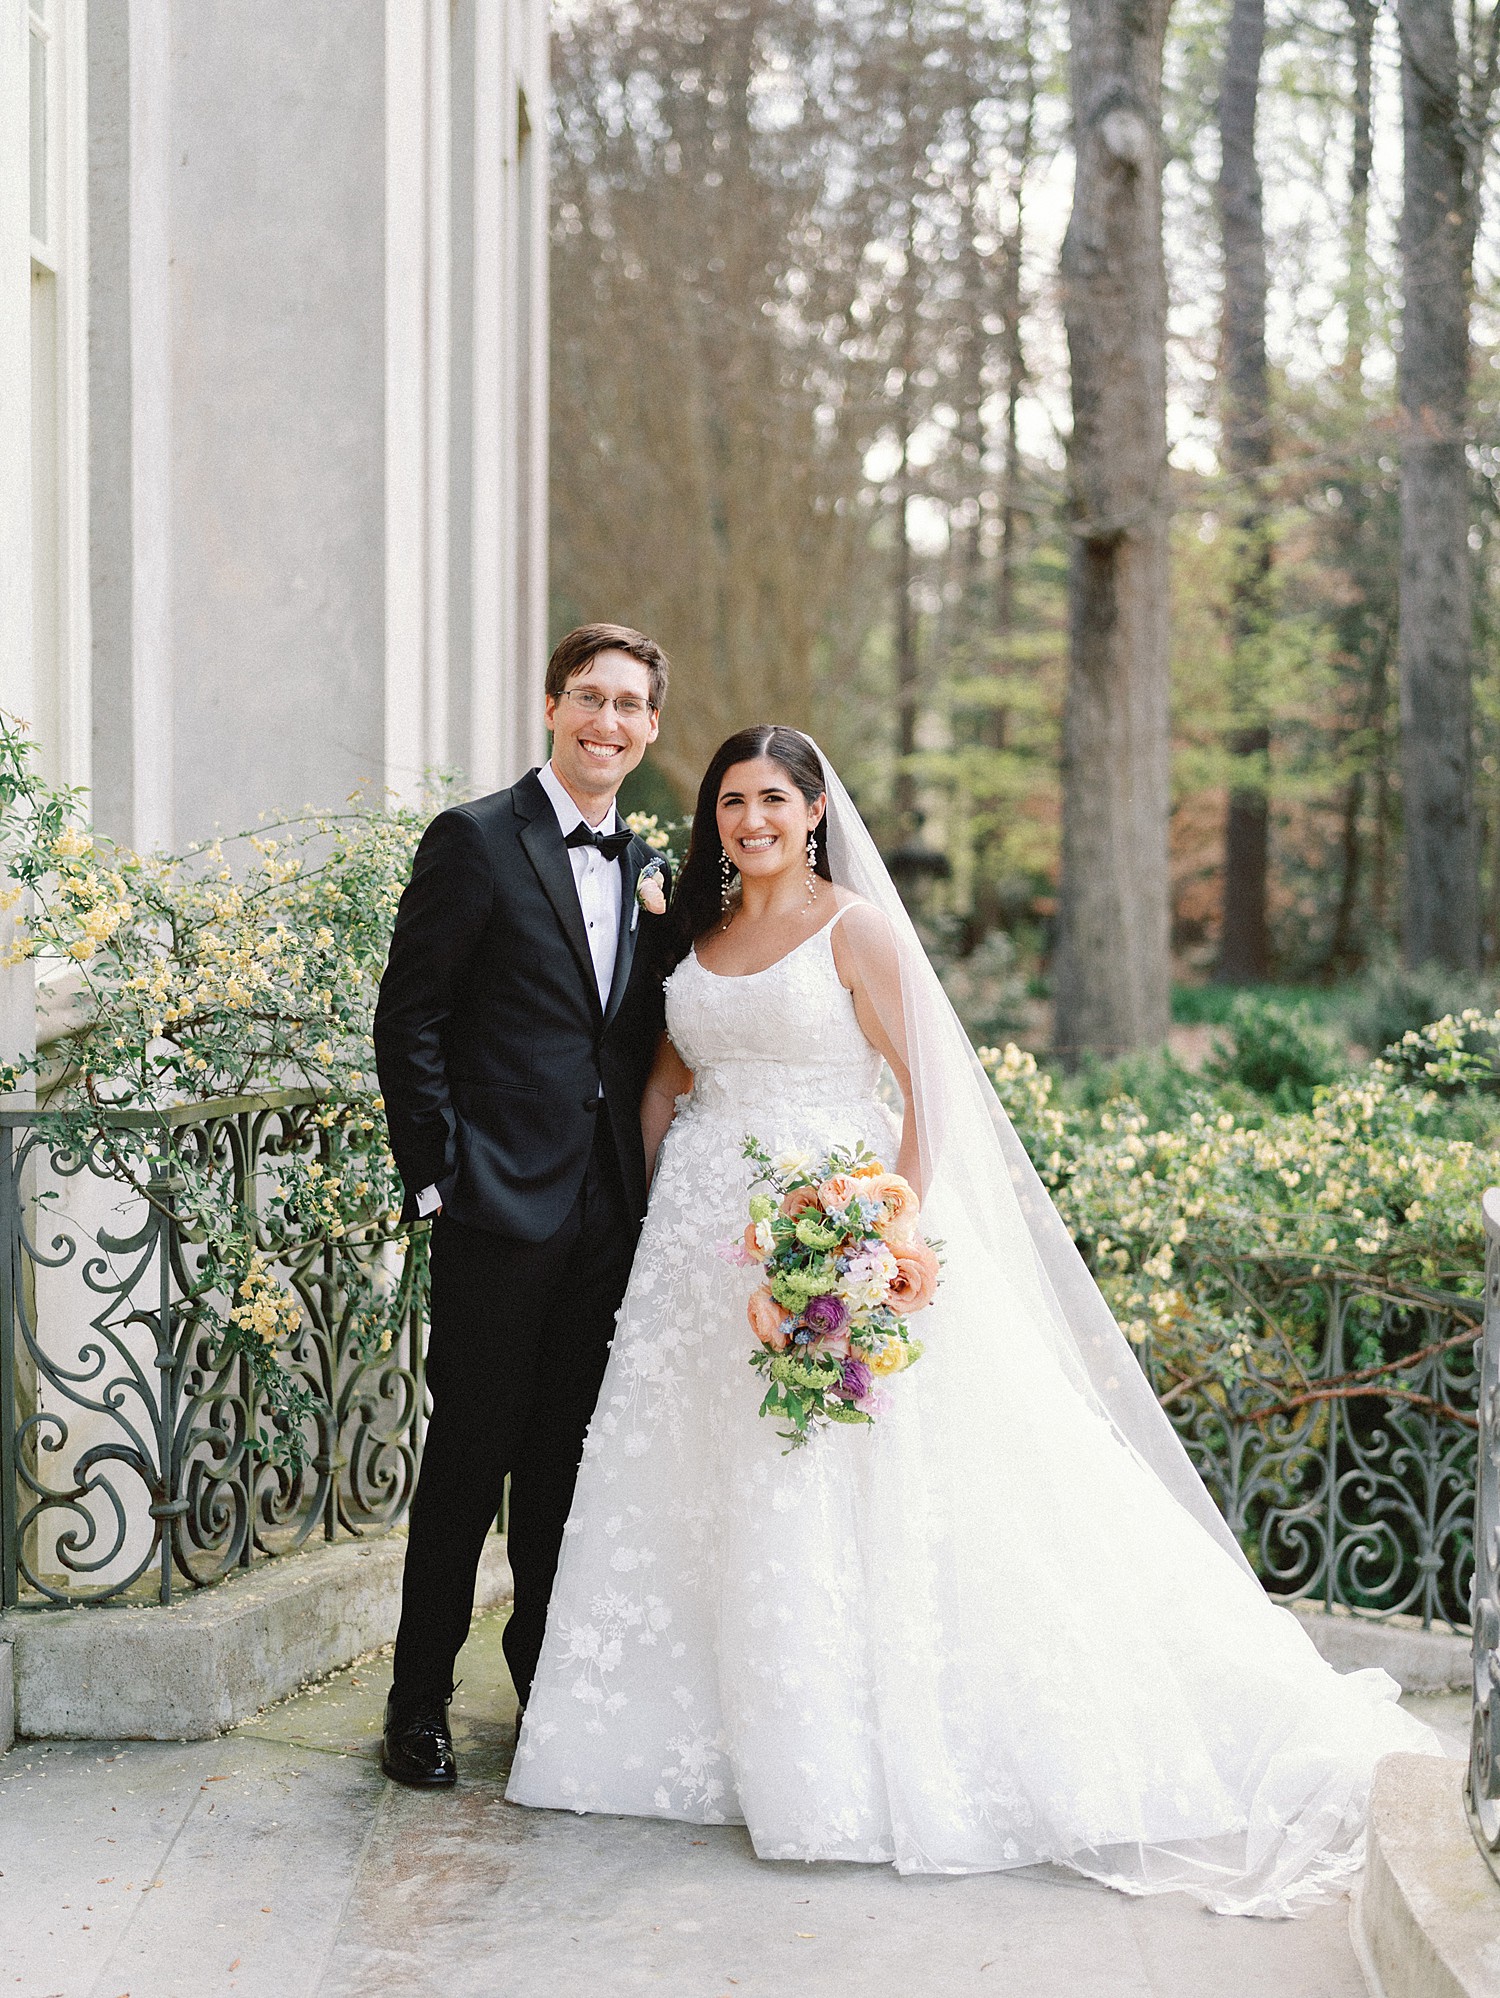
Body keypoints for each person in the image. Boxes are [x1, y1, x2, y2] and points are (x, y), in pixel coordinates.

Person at [506, 724, 1441, 1917]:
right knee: (701, 1481)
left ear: (813, 811)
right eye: (733, 802)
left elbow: (926, 1084)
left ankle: (837, 1751)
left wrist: (884, 1231)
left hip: (830, 1235)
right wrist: (652, 1226)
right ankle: (692, 1743)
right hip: (695, 1260)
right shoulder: (692, 932)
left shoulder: (857, 927)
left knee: (834, 1478)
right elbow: (665, 1080)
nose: (751, 821)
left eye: (774, 800)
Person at [373, 622, 673, 1787]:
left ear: (652, 729)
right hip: (495, 1207)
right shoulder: (476, 840)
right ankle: (417, 1702)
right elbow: (413, 1019)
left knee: (562, 1463)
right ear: (552, 706)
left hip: (608, 1211)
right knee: (468, 1459)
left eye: (630, 705)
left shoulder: (648, 863)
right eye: (589, 697)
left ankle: (542, 1685)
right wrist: (438, 1177)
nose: (608, 721)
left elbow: (636, 1036)